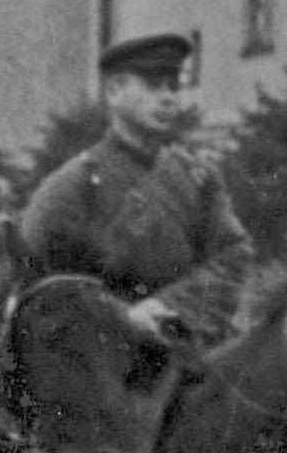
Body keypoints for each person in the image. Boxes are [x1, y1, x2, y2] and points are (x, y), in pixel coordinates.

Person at [19, 33, 252, 353]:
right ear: (114, 92)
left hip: (188, 351)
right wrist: (120, 318)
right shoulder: (73, 185)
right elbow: (35, 285)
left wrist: (167, 308)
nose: (169, 98)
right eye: (153, 86)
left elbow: (233, 256)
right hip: (99, 367)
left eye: (174, 87)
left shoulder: (198, 179)